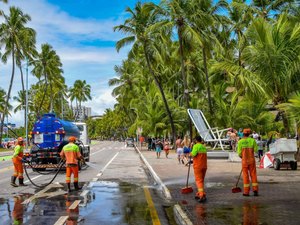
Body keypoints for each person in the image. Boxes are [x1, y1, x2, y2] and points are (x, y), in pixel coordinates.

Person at [237, 128, 259, 197]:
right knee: (253, 175)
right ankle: (255, 190)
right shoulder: (252, 141)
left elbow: (239, 153)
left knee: (245, 176)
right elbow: (256, 151)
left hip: (244, 161)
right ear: (249, 134)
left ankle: (246, 192)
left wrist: (242, 157)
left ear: (243, 133)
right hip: (251, 161)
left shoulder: (240, 142)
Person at [190, 136, 207, 203]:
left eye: (194, 140)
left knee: (198, 181)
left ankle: (201, 195)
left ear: (196, 140)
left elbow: (193, 154)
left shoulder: (196, 146)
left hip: (198, 166)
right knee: (201, 180)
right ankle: (201, 193)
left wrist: (190, 152)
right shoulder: (203, 147)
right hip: (204, 166)